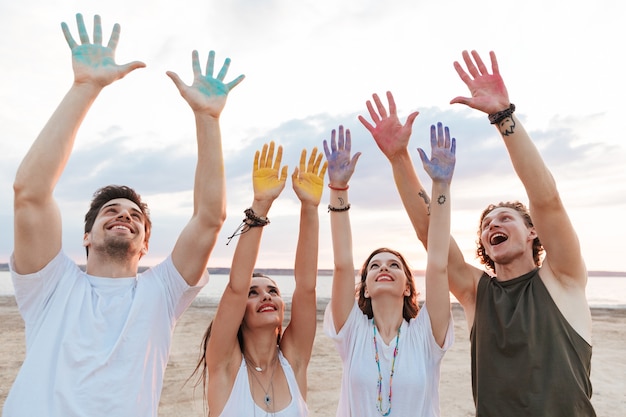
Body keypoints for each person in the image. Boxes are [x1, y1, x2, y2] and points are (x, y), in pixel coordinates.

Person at [5, 13, 244, 417]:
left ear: (145, 243)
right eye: (110, 212)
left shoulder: (161, 294)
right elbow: (29, 193)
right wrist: (84, 87)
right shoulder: (49, 286)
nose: (124, 217)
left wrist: (207, 119)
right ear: (86, 236)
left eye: (135, 216)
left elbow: (209, 219)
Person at [362, 50, 596, 416]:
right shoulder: (476, 294)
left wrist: (503, 116)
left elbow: (546, 199)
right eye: (486, 225)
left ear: (533, 232)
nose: (492, 226)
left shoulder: (563, 278)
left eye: (505, 219)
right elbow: (431, 236)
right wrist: (399, 159)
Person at [322, 124, 455, 417]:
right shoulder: (352, 332)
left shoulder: (425, 335)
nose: (384, 267)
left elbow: (437, 264)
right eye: (374, 266)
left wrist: (441, 186)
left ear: (407, 286)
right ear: (365, 287)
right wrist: (338, 189)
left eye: (394, 265)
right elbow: (343, 264)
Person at [191, 141, 327, 416]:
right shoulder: (226, 366)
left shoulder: (294, 362)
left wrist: (310, 208)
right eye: (254, 293)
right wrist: (260, 207)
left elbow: (306, 288)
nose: (266, 296)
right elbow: (236, 286)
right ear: (238, 314)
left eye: (273, 291)